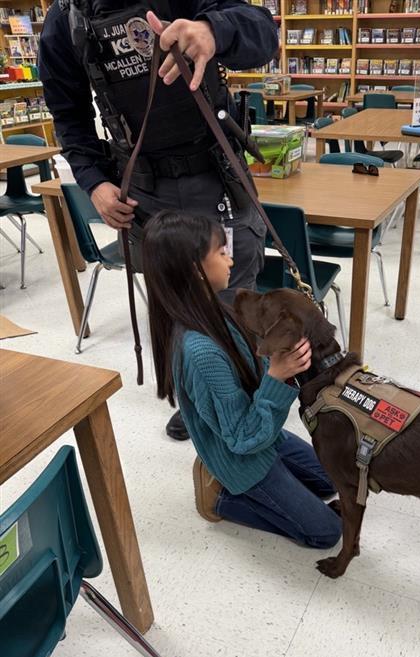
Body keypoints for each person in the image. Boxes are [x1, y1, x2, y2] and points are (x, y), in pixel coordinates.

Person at [38, 0, 278, 440]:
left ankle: (251, 401)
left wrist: (214, 30)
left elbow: (264, 34)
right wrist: (93, 182)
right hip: (146, 192)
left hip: (215, 177)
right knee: (175, 304)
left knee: (235, 296)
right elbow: (69, 116)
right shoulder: (64, 21)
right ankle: (199, 398)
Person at [142, 210, 342, 548]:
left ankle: (269, 480)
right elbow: (242, 438)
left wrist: (277, 362)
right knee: (325, 532)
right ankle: (220, 498)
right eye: (221, 252)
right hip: (241, 453)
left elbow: (251, 372)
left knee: (330, 480)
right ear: (196, 270)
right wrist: (278, 378)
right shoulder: (199, 352)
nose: (230, 258)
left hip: (264, 436)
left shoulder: (215, 308)